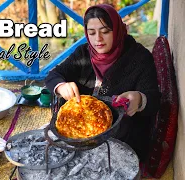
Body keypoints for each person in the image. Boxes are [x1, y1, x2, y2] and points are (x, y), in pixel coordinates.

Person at [45, 4, 161, 162]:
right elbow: (53, 75)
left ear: (118, 29)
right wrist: (61, 86)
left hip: (123, 138)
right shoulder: (84, 53)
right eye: (91, 33)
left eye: (105, 31)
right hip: (78, 134)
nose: (97, 39)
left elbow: (154, 99)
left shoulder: (139, 58)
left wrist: (139, 99)